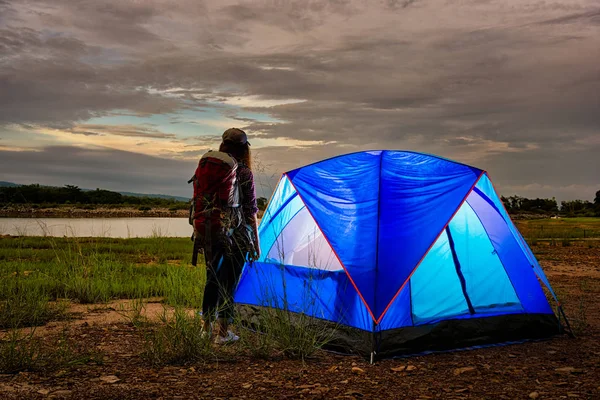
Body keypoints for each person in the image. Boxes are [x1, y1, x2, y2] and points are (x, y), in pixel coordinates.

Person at [201, 128, 260, 344]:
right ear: (244, 148)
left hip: (212, 231)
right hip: (237, 236)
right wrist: (256, 244)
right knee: (229, 282)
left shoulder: (212, 168)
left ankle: (205, 329)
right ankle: (223, 333)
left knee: (212, 279)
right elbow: (251, 211)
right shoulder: (244, 172)